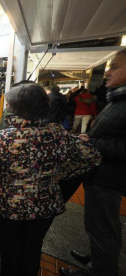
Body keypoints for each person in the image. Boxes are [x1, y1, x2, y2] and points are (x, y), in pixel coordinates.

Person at [0, 83, 101, 276]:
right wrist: (61, 173)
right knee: (33, 248)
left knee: (9, 252)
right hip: (45, 206)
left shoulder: (2, 138)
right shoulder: (57, 133)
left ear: (14, 108)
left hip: (9, 206)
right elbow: (92, 156)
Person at [60, 49, 126, 276]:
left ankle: (98, 271)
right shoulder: (117, 98)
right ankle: (98, 260)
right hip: (101, 173)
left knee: (103, 228)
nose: (106, 71)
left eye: (115, 66)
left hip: (109, 177)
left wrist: (94, 142)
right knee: (98, 226)